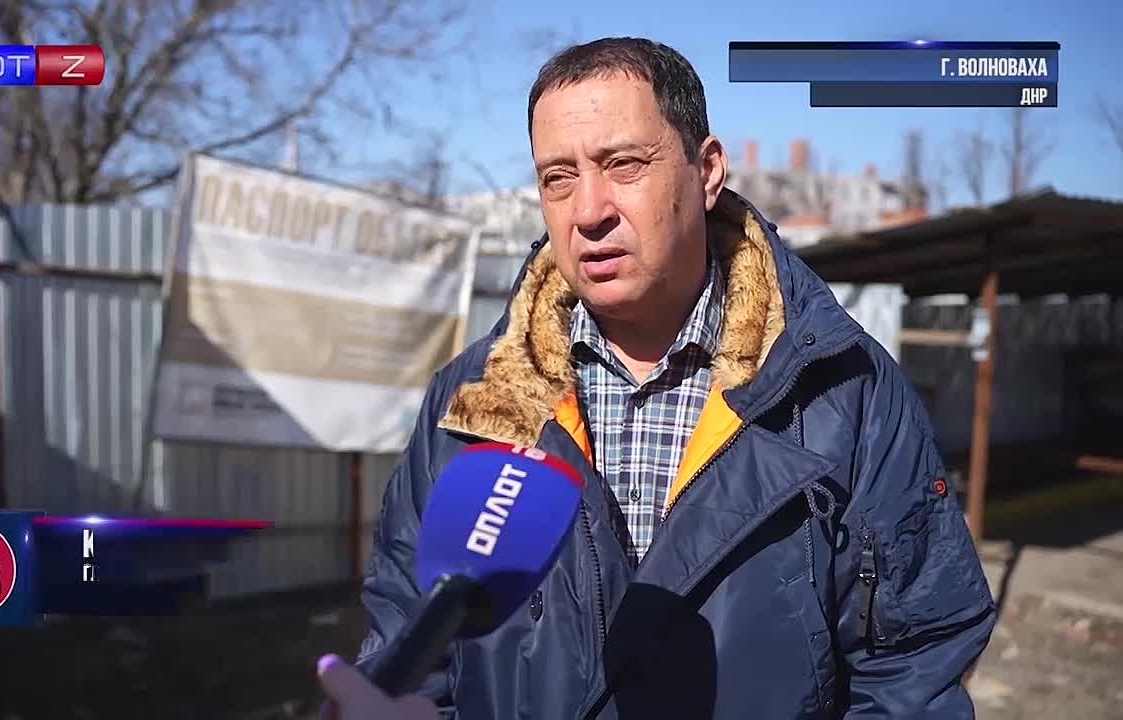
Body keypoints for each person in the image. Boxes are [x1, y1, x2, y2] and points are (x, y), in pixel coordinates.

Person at [349, 37, 996, 719]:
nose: (588, 210)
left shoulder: (844, 389)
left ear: (707, 170)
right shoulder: (472, 403)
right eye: (558, 177)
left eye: (623, 164)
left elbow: (911, 671)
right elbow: (410, 647)